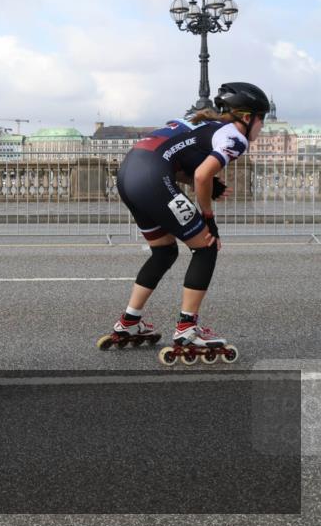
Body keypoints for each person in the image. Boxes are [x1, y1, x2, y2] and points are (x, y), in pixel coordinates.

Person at [101, 82, 271, 364]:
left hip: (129, 174)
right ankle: (187, 328)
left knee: (165, 251)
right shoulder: (235, 137)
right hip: (152, 178)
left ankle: (130, 321)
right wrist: (208, 219)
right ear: (246, 117)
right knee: (206, 247)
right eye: (261, 119)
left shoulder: (195, 122)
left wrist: (195, 180)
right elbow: (203, 175)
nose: (262, 127)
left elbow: (171, 160)